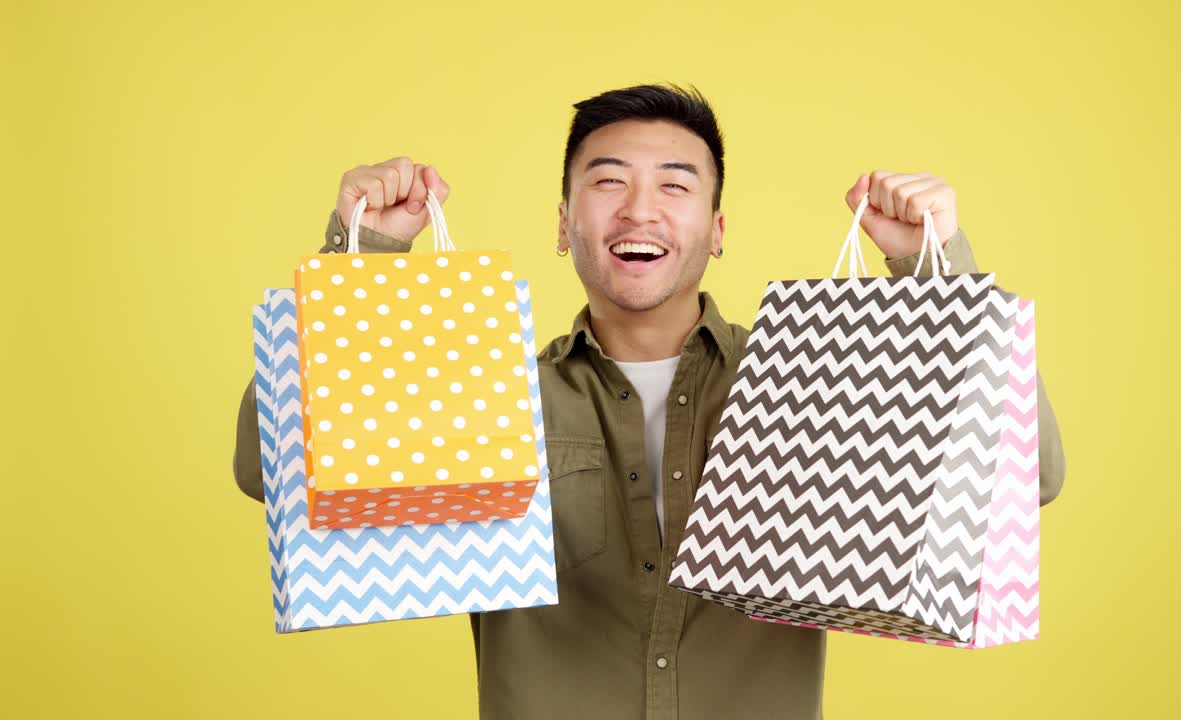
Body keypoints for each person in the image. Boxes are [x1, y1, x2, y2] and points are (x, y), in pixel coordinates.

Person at [232, 83, 1066, 719]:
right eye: (607, 182)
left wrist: (936, 277)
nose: (639, 209)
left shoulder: (817, 373)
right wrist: (362, 257)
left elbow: (1028, 478)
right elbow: (278, 475)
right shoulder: (487, 388)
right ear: (564, 224)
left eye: (675, 185)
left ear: (716, 226)